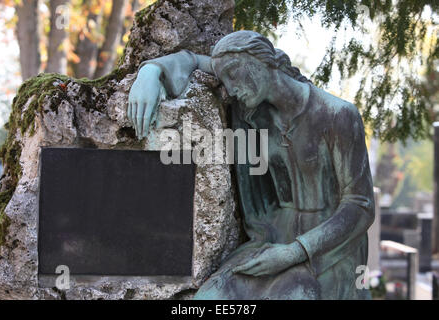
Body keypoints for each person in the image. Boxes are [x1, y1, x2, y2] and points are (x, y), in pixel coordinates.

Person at [128, 30, 375, 299]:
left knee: (295, 296)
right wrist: (151, 72)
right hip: (269, 242)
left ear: (261, 60)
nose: (230, 88)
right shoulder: (254, 114)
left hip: (326, 251)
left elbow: (360, 205)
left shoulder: (338, 116)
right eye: (225, 79)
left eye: (233, 74)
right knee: (208, 299)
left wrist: (296, 251)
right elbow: (195, 60)